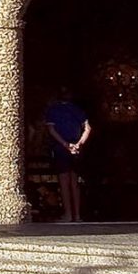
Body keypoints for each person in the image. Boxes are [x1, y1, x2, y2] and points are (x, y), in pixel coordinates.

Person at [43, 87, 93, 223]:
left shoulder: (53, 110)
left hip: (61, 148)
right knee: (74, 181)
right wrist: (79, 144)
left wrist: (65, 145)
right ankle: (77, 215)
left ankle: (68, 214)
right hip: (75, 147)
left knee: (64, 181)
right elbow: (87, 128)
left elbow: (51, 129)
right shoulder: (77, 109)